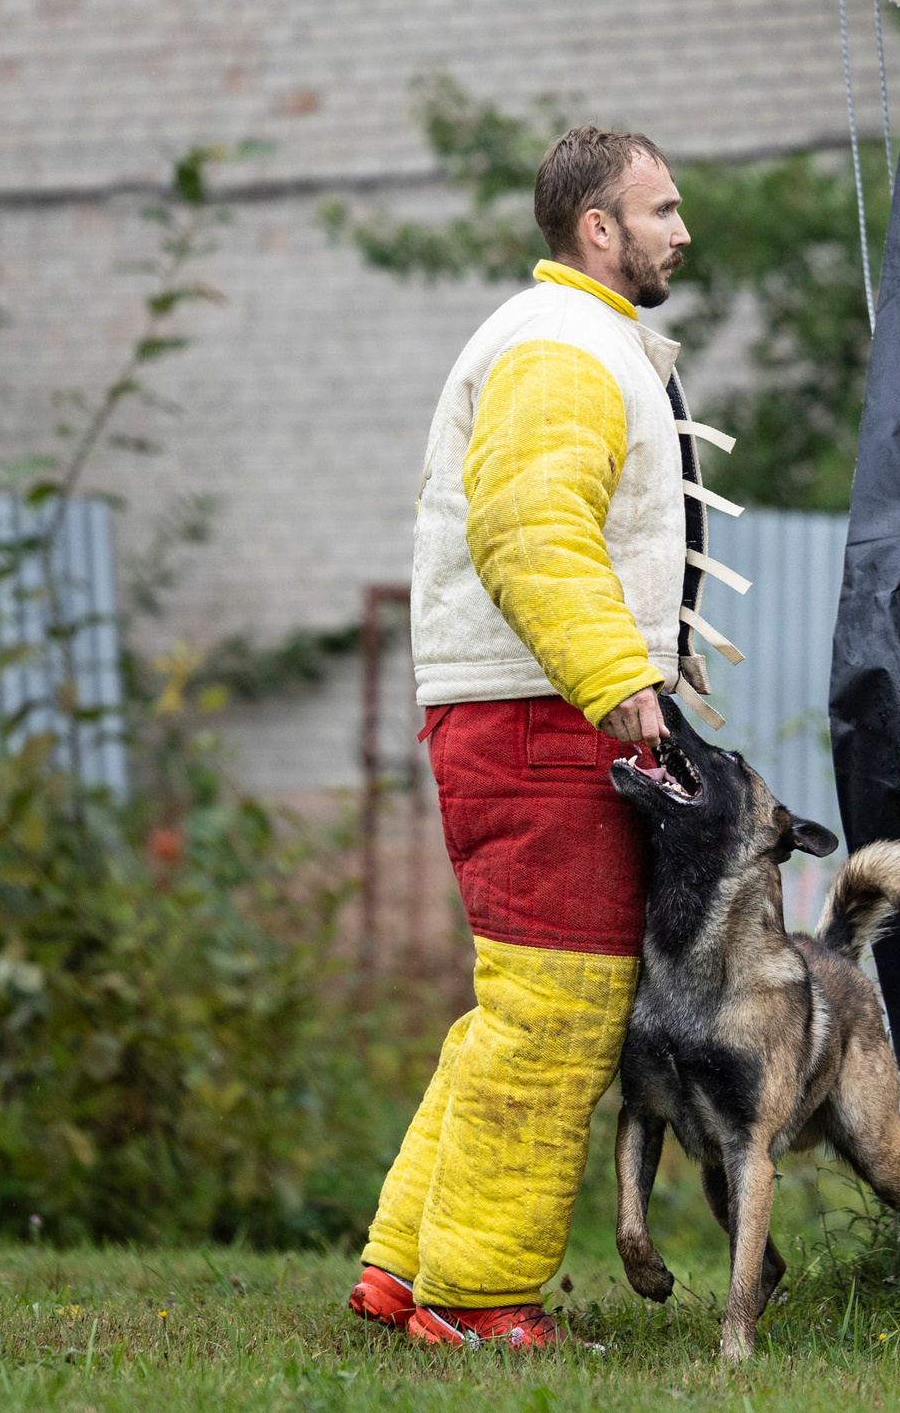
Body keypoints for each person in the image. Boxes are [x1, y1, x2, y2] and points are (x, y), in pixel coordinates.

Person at [344, 125, 734, 1350]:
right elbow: (527, 528)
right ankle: (477, 1301)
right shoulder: (564, 347)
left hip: (523, 704)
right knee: (557, 1010)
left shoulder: (569, 337)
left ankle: (407, 1269)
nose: (683, 229)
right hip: (542, 710)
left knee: (512, 1009)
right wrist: (624, 682)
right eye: (660, 209)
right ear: (597, 229)